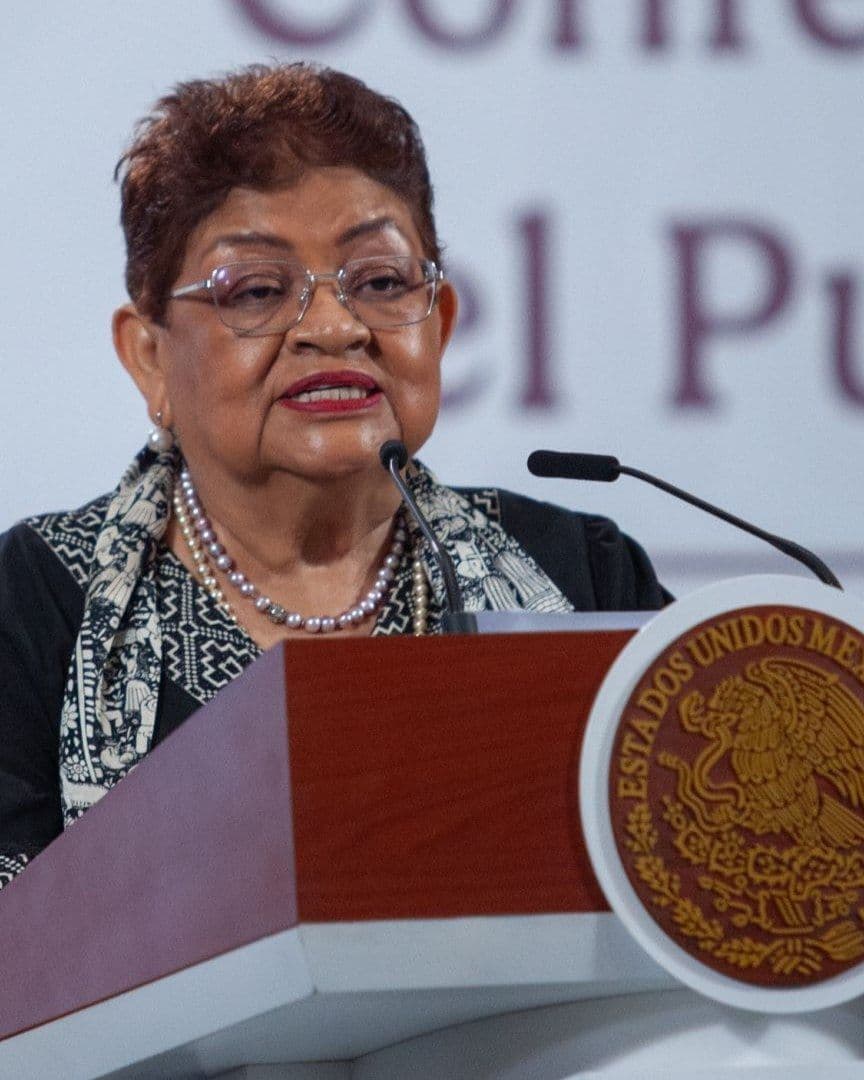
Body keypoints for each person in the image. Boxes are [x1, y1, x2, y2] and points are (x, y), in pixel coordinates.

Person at [0, 63, 668, 890]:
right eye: (254, 290)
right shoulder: (31, 605)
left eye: (381, 282)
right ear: (149, 357)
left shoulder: (583, 576)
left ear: (441, 323)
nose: (333, 325)